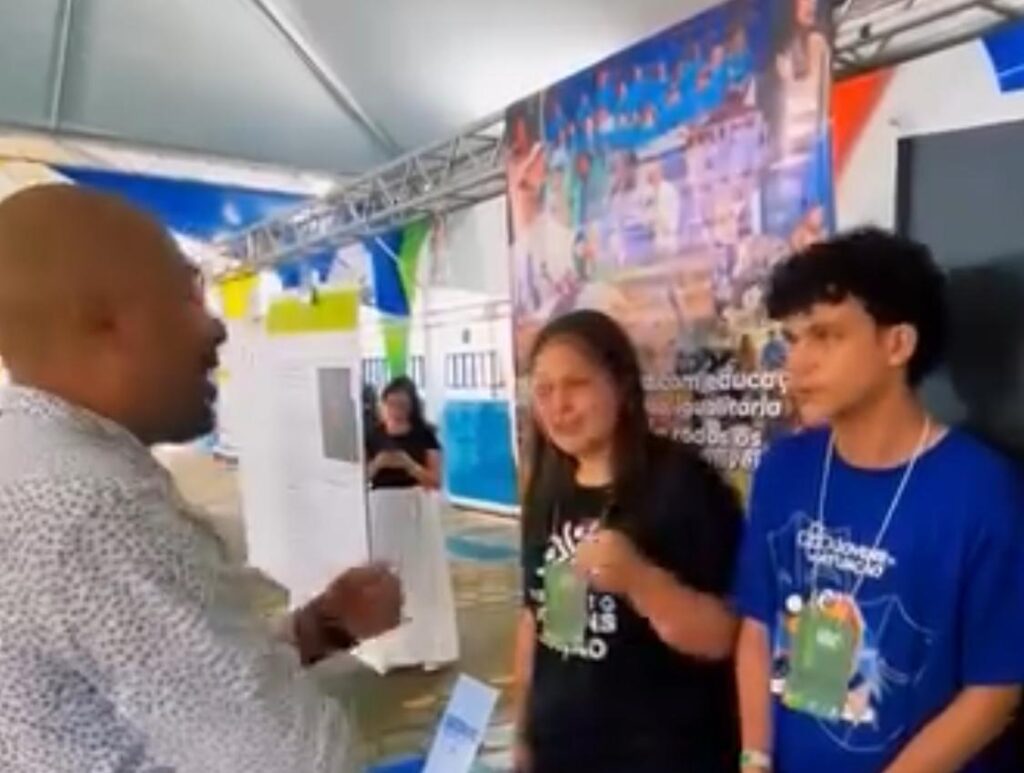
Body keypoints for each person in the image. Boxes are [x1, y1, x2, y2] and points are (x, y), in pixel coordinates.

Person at [0, 185, 403, 772]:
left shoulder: (32, 463)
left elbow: (155, 692)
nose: (216, 329)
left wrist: (318, 630)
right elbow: (290, 761)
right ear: (102, 320)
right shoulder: (94, 509)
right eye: (187, 294)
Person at [734, 229, 1024, 773]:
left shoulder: (981, 492)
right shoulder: (783, 469)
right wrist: (755, 757)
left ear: (897, 344)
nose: (797, 364)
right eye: (792, 339)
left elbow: (995, 689)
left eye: (825, 336)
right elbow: (757, 626)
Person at [514, 309, 743, 772]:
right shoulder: (545, 488)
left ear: (620, 385)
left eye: (576, 385)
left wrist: (642, 581)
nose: (559, 406)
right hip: (561, 753)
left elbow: (725, 635)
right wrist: (522, 733)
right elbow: (534, 621)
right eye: (544, 390)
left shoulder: (683, 485)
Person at [361, 376, 459, 672]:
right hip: (381, 509)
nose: (396, 410)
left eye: (402, 405)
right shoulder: (372, 435)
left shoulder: (424, 435)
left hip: (415, 508)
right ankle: (387, 651)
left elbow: (435, 480)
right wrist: (378, 464)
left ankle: (429, 648)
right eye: (391, 404)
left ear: (412, 406)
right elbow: (360, 477)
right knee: (386, 582)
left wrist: (408, 465)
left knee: (422, 580)